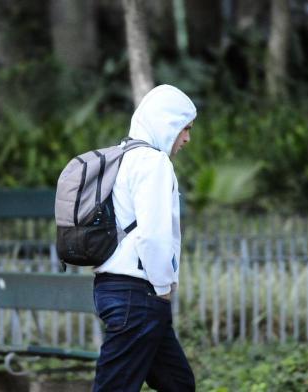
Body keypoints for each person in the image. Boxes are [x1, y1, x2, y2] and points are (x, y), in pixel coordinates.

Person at [93, 84, 197, 392]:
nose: (188, 138)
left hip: (115, 288)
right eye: (184, 128)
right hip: (139, 295)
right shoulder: (154, 163)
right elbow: (154, 235)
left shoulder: (122, 157)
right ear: (166, 123)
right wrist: (163, 288)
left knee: (178, 384)